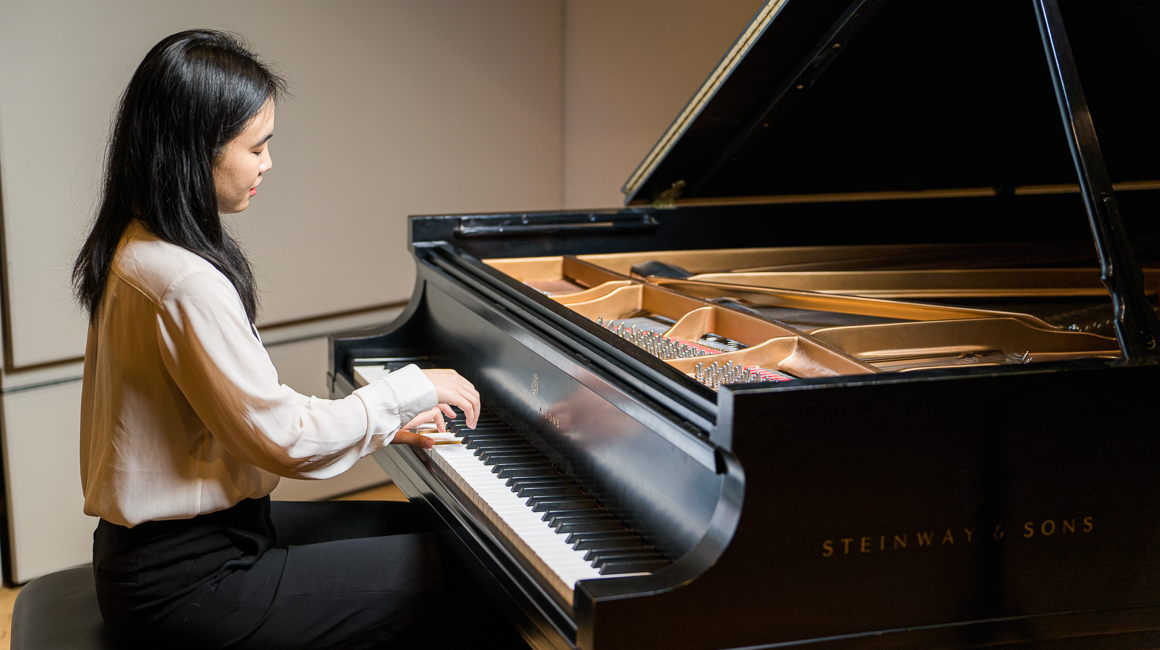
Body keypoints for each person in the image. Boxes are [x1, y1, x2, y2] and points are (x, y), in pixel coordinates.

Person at [73, 29, 523, 649]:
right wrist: (408, 391)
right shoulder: (181, 280)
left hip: (178, 549)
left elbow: (243, 421)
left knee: (448, 536)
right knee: (481, 576)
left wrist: (385, 426)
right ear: (194, 150)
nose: (268, 163)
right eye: (257, 147)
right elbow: (282, 440)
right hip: (190, 585)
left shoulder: (139, 242)